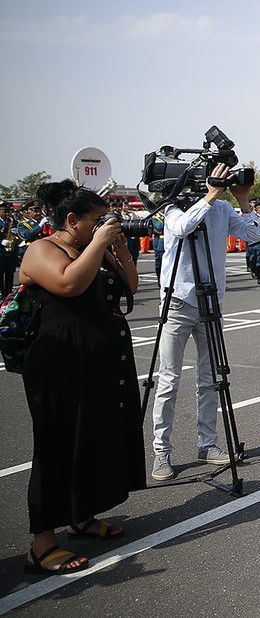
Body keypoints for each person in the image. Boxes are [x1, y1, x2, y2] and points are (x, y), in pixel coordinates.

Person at [18, 181, 143, 575]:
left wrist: (119, 250)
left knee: (94, 438)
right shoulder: (41, 249)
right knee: (58, 445)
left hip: (99, 362)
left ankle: (82, 518)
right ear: (71, 220)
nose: (106, 224)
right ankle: (42, 544)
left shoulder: (96, 248)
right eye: (98, 219)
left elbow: (131, 287)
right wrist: (99, 243)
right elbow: (68, 283)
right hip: (60, 362)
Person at [151, 163, 260, 482]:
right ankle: (161, 450)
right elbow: (182, 228)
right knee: (169, 380)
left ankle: (208, 444)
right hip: (178, 300)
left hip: (211, 302)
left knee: (210, 378)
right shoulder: (173, 207)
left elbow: (253, 235)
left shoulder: (223, 208)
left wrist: (243, 200)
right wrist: (210, 196)